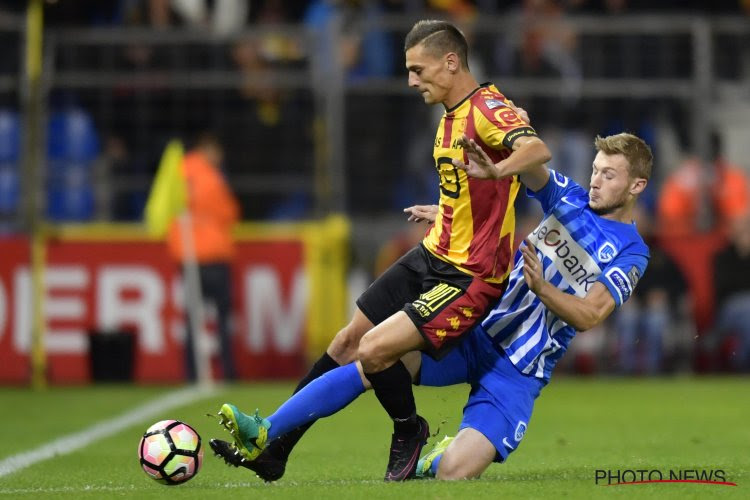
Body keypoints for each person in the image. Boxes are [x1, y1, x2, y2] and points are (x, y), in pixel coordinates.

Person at [211, 111, 651, 481]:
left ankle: (435, 455)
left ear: (636, 186)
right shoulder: (568, 198)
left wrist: (541, 287)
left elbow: (591, 314)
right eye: (594, 170)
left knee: (454, 474)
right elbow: (523, 167)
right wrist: (455, 208)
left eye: (608, 175)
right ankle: (267, 430)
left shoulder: (632, 252)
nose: (594, 181)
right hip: (473, 330)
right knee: (375, 356)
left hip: (519, 371)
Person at [212, 19, 551, 481]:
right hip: (435, 252)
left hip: (468, 277)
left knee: (373, 351)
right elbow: (474, 191)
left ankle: (408, 429)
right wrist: (449, 210)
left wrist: (498, 172)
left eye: (418, 69)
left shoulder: (489, 108)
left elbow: (535, 150)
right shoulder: (450, 113)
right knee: (346, 342)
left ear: (451, 62)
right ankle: (275, 450)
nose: (411, 81)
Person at [167, 133, 240, 382]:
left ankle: (191, 373)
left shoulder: (177, 172)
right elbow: (229, 212)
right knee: (221, 318)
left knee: (192, 318)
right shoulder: (211, 176)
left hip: (188, 257)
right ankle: (228, 372)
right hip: (214, 255)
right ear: (208, 148)